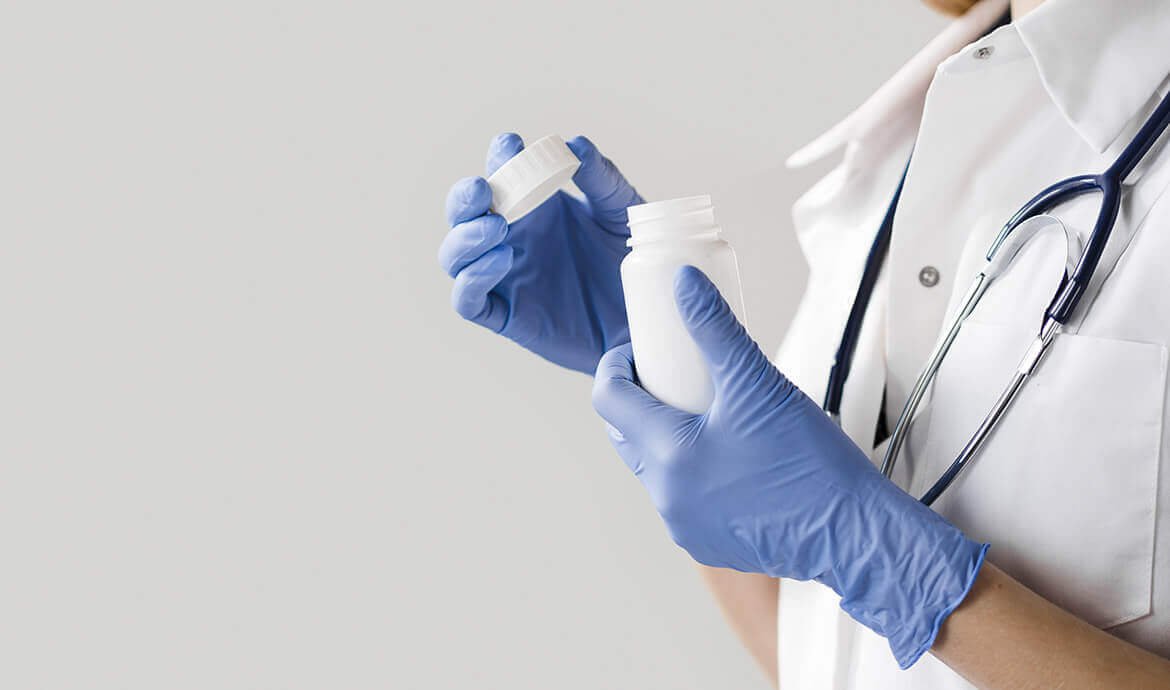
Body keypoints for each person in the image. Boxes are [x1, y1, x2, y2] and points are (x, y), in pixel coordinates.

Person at [438, 0, 1170, 687]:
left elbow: (854, 556)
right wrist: (664, 365)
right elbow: (825, 655)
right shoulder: (913, 140)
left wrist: (890, 562)